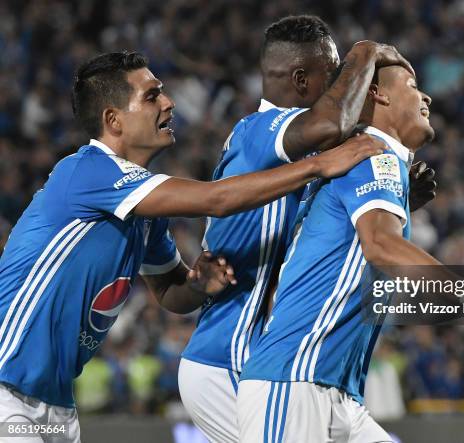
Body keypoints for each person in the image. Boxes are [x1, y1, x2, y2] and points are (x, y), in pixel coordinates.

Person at [0, 51, 383, 442]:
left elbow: (169, 292)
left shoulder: (142, 214)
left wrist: (198, 285)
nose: (168, 103)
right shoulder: (87, 171)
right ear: (113, 120)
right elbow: (215, 199)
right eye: (152, 96)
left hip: (56, 403)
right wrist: (319, 165)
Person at [237, 65, 464, 441]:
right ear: (378, 95)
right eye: (412, 85)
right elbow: (382, 247)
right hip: (293, 383)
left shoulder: (364, 163)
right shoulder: (373, 154)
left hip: (334, 392)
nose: (427, 97)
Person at [176, 15, 437, 443]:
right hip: (233, 358)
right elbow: (329, 125)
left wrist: (398, 201)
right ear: (301, 81)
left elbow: (320, 235)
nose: (344, 89)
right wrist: (366, 51)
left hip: (279, 363)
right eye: (336, 78)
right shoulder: (262, 131)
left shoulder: (307, 158)